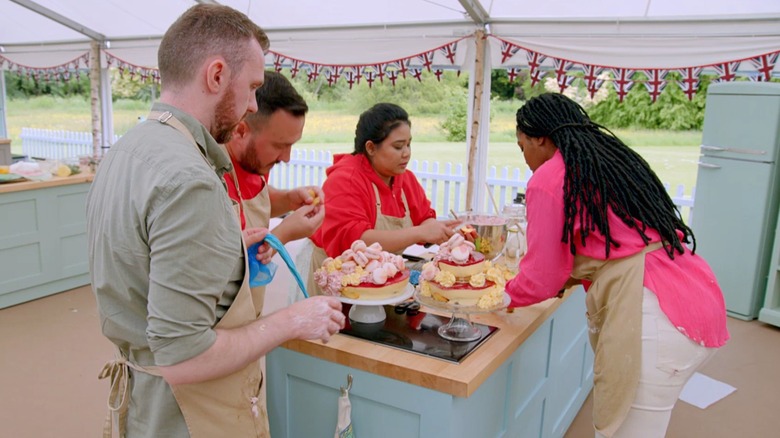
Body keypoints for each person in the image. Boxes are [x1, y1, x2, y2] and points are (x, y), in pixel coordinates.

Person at [86, 5, 345, 438]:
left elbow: (145, 263)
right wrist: (293, 321)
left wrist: (227, 250)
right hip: (191, 413)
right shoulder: (190, 180)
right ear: (217, 75)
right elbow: (184, 355)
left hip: (147, 401)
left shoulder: (127, 149)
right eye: (252, 88)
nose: (251, 104)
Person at [504, 93, 729, 437]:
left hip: (654, 318)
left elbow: (542, 279)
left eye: (523, 148)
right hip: (695, 297)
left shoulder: (549, 178)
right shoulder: (605, 161)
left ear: (539, 138)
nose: (526, 160)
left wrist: (496, 296)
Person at [306, 103, 459, 293]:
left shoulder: (404, 178)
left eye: (409, 144)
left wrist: (442, 232)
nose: (407, 153)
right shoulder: (345, 180)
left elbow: (423, 217)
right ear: (370, 147)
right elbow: (356, 242)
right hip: (338, 284)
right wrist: (421, 232)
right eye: (398, 146)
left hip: (381, 283)